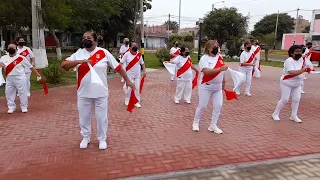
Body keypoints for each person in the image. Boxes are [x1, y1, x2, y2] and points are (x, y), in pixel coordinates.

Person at [61, 31, 135, 150]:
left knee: (101, 118)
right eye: (84, 38)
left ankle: (102, 138)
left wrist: (128, 80)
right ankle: (86, 137)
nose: (86, 39)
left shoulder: (103, 52)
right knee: (84, 117)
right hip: (83, 92)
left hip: (100, 92)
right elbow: (64, 65)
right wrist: (79, 62)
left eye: (89, 38)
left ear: (95, 40)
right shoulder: (78, 54)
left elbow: (118, 68)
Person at [192, 40, 228, 134]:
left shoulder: (220, 57)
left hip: (218, 87)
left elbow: (223, 70)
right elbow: (207, 71)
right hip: (206, 86)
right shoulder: (204, 58)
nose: (217, 48)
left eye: (217, 45)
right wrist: (220, 69)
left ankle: (213, 125)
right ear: (208, 48)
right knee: (202, 105)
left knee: (218, 106)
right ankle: (196, 122)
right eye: (214, 46)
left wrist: (223, 80)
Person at [272, 45, 313, 123]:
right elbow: (292, 72)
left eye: (300, 51)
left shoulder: (302, 59)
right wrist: (304, 70)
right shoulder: (289, 61)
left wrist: (310, 69)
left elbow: (309, 66)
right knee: (284, 99)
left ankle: (293, 116)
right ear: (291, 53)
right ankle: (275, 114)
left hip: (297, 83)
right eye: (296, 51)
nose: (299, 53)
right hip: (287, 83)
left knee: (296, 99)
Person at [0, 43, 42, 114]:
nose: (11, 49)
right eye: (9, 48)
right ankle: (11, 107)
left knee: (22, 92)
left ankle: (24, 106)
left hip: (20, 77)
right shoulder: (3, 58)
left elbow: (30, 67)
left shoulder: (21, 58)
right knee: (9, 93)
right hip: (9, 78)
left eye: (12, 48)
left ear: (16, 49)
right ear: (7, 49)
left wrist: (38, 75)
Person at [121, 42, 146, 108]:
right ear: (130, 47)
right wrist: (120, 70)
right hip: (129, 74)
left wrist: (144, 70)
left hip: (137, 74)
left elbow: (142, 63)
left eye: (136, 45)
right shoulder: (127, 54)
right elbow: (121, 62)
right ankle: (127, 99)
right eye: (134, 46)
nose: (135, 47)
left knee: (137, 88)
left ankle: (137, 101)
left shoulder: (139, 55)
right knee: (129, 88)